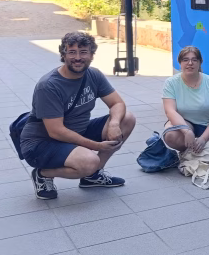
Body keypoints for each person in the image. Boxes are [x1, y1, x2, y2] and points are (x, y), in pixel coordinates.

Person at [21, 31, 135, 199]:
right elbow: (56, 131)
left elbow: (117, 103)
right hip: (41, 143)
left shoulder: (93, 75)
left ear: (91, 54)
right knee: (89, 161)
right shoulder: (49, 85)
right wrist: (96, 146)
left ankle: (92, 176)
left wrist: (114, 123)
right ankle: (43, 174)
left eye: (83, 52)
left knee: (127, 118)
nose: (78, 57)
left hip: (77, 131)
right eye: (72, 52)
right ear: (63, 54)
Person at [162, 46, 209, 164]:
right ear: (180, 63)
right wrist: (186, 131)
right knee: (170, 135)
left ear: (200, 63)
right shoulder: (171, 83)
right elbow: (170, 111)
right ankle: (190, 148)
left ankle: (199, 148)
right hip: (186, 122)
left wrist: (203, 139)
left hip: (208, 123)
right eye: (185, 60)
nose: (190, 63)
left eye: (194, 60)